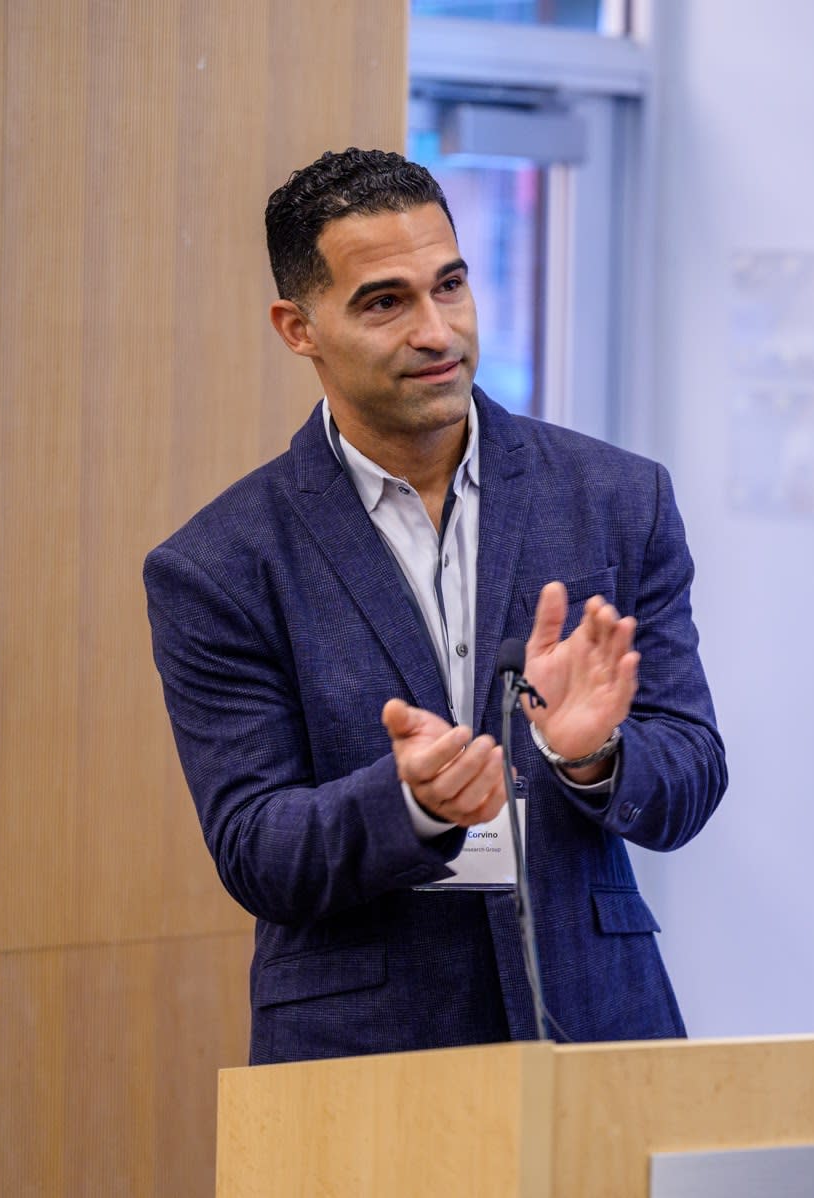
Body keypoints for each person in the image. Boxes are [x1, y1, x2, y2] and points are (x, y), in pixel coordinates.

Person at [144, 148, 727, 1065]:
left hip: (599, 1031)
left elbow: (691, 772)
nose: (437, 330)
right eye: (386, 302)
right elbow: (256, 847)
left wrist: (593, 757)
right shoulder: (218, 566)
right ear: (298, 327)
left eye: (450, 285)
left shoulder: (618, 500)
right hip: (363, 1055)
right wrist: (410, 804)